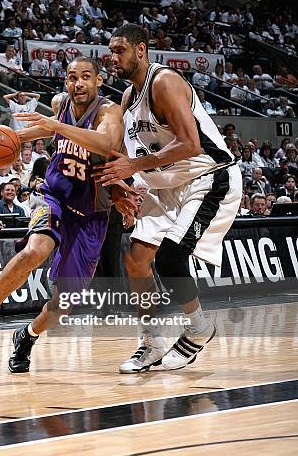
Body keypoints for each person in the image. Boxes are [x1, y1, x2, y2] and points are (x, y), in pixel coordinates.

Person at [0, 57, 126, 374]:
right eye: (71, 77)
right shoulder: (60, 104)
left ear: (98, 81)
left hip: (91, 214)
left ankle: (25, 337)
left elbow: (106, 142)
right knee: (34, 250)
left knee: (64, 303)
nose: (77, 83)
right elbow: (42, 130)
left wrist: (57, 126)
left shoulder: (110, 111)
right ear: (65, 82)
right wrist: (3, 138)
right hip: (53, 196)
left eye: (85, 77)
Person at [97, 24, 242, 373]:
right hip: (166, 186)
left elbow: (190, 144)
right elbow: (131, 155)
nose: (113, 58)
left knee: (170, 260)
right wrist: (125, 187)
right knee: (135, 260)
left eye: (121, 51)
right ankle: (151, 342)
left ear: (141, 50)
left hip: (207, 177)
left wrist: (135, 165)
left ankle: (198, 329)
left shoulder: (164, 82)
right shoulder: (128, 98)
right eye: (111, 51)